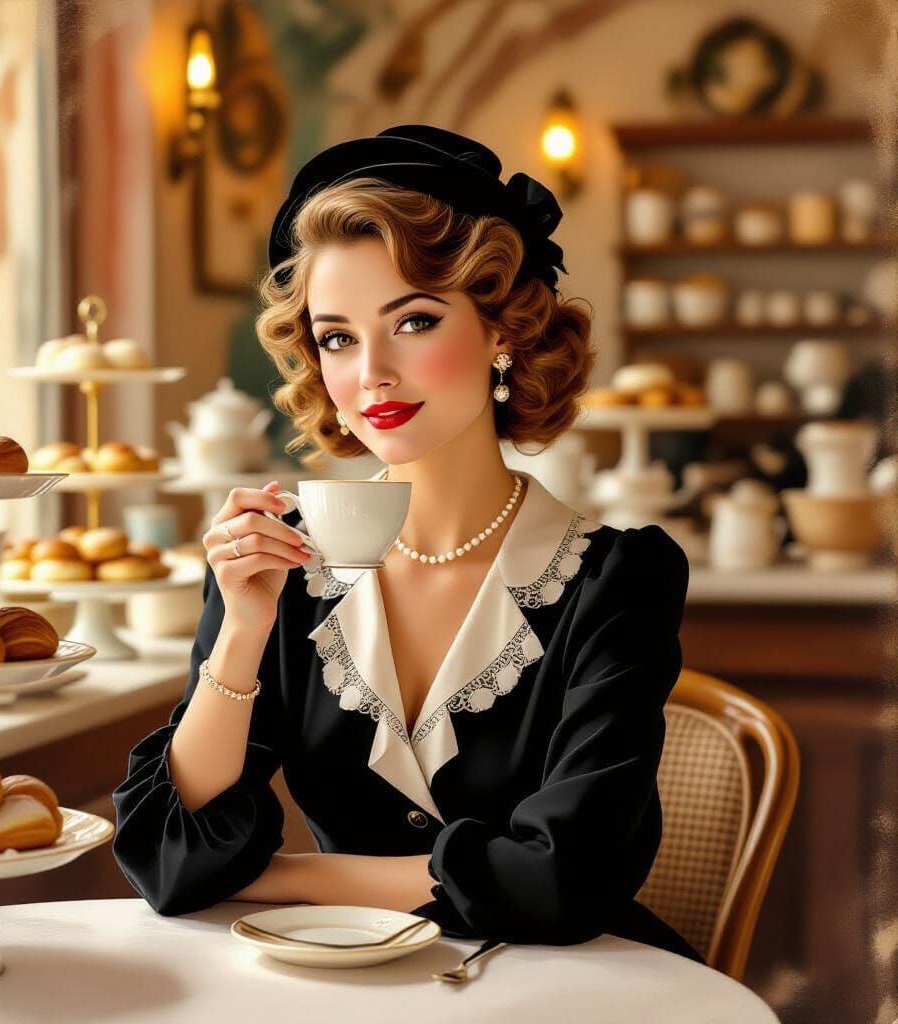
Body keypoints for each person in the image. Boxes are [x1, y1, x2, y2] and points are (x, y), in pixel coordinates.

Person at [112, 124, 702, 963]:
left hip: (564, 995)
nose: (371, 374)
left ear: (503, 328)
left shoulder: (619, 579)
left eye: (415, 321)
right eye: (338, 337)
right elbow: (168, 859)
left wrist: (281, 876)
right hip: (338, 989)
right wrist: (242, 631)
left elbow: (567, 880)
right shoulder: (282, 564)